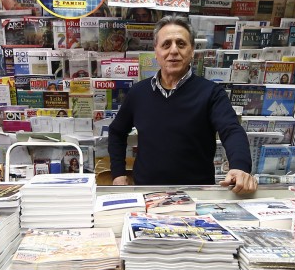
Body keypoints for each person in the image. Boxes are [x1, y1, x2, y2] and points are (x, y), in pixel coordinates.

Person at [109, 17, 255, 192]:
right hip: (147, 192)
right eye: (166, 44)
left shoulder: (211, 93)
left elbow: (231, 130)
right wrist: (118, 173)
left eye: (181, 44)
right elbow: (117, 131)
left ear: (192, 50)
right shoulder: (138, 93)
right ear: (156, 51)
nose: (173, 51)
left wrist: (239, 166)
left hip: (197, 195)